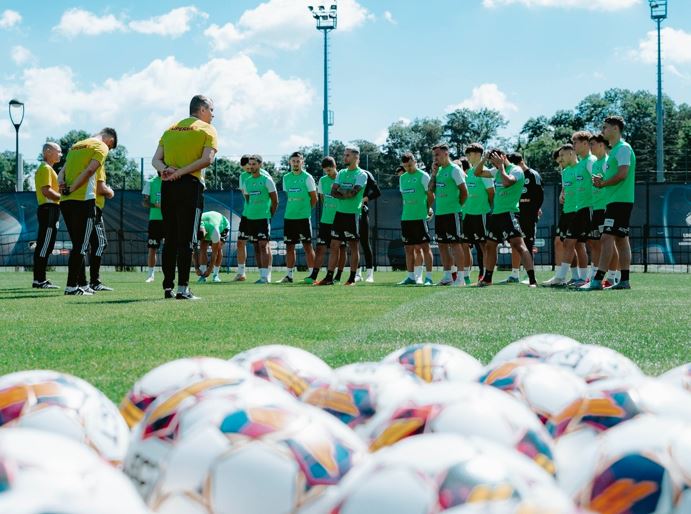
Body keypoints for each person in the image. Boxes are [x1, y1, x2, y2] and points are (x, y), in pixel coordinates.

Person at [152, 94, 217, 300]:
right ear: (203, 109)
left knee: (170, 238)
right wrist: (180, 172)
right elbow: (207, 159)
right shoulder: (207, 129)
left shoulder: (170, 129)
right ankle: (183, 289)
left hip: (168, 186)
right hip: (190, 186)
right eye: (212, 111)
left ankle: (167, 288)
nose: (213, 115)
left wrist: (167, 170)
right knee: (187, 239)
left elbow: (156, 160)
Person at [58, 128, 117, 296]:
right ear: (110, 140)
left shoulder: (77, 145)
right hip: (84, 201)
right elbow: (90, 171)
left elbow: (62, 172)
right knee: (82, 246)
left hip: (66, 202)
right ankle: (71, 287)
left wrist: (62, 185)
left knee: (78, 245)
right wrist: (72, 188)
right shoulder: (101, 147)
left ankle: (81, 285)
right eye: (110, 146)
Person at [581, 115, 635, 291]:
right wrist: (601, 181)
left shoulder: (623, 148)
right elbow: (615, 176)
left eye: (605, 127)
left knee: (606, 237)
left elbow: (622, 174)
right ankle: (624, 280)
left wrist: (602, 183)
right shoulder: (616, 150)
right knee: (621, 240)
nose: (603, 131)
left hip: (620, 200)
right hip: (615, 201)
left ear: (615, 129)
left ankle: (598, 280)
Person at [475, 149, 537, 288]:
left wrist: (501, 166)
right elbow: (477, 173)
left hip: (509, 214)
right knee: (490, 246)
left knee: (519, 245)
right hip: (496, 214)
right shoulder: (496, 170)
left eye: (495, 160)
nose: (494, 164)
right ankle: (488, 278)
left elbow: (508, 182)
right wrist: (484, 160)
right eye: (492, 161)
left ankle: (532, 280)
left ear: (502, 157)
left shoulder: (515, 170)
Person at [316, 145, 368, 286]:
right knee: (334, 246)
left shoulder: (362, 174)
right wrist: (346, 194)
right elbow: (334, 192)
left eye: (347, 155)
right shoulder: (341, 173)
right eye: (344, 155)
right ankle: (329, 278)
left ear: (356, 157)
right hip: (339, 214)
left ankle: (351, 278)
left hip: (353, 215)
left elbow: (354, 193)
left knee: (353, 247)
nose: (344, 157)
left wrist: (343, 194)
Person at [543, 143, 591, 287]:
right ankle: (574, 276)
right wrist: (561, 195)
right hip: (567, 211)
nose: (560, 163)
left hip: (580, 210)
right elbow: (566, 189)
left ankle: (581, 277)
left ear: (571, 153)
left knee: (578, 244)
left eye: (561, 158)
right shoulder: (565, 172)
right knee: (562, 242)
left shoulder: (584, 165)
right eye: (559, 161)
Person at [500, 152, 543, 284]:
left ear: (521, 162)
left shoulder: (533, 175)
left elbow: (539, 195)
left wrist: (535, 211)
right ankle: (515, 274)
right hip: (516, 213)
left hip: (529, 215)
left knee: (528, 244)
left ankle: (529, 276)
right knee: (515, 243)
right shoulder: (514, 175)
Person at [430, 143, 467, 286]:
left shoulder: (455, 170)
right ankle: (447, 276)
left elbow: (464, 192)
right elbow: (430, 190)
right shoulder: (438, 171)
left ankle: (461, 278)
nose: (435, 158)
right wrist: (433, 173)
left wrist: (457, 206)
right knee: (442, 245)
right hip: (440, 214)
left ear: (446, 154)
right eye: (434, 155)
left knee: (456, 245)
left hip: (453, 213)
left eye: (437, 154)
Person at [278, 151, 317, 284]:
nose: (295, 163)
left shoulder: (307, 177)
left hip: (303, 218)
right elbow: (289, 196)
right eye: (293, 161)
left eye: (298, 161)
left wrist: (305, 210)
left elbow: (314, 198)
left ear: (302, 162)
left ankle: (312, 275)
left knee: (307, 246)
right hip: (289, 217)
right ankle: (289, 276)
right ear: (290, 162)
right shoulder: (286, 178)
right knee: (289, 247)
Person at [398, 152, 434, 286]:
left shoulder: (423, 176)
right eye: (405, 166)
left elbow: (431, 196)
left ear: (414, 161)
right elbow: (405, 198)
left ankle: (429, 277)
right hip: (406, 218)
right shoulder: (402, 178)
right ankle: (411, 276)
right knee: (408, 248)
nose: (408, 168)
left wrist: (427, 209)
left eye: (410, 165)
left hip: (420, 218)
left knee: (424, 246)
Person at [308, 156, 346, 283]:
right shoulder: (323, 180)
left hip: (340, 219)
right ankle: (314, 275)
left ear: (335, 166)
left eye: (329, 170)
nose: (328, 173)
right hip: (326, 219)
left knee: (340, 248)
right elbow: (323, 199)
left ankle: (338, 276)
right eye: (325, 171)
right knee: (320, 247)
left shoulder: (342, 178)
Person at [588, 133, 619, 287]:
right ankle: (595, 274)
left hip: (605, 206)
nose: (590, 147)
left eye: (592, 144)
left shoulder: (607, 161)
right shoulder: (594, 163)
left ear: (601, 145)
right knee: (595, 242)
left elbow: (610, 183)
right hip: (596, 207)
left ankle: (612, 277)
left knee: (609, 243)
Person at [462, 144, 494, 286]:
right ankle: (466, 276)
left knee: (484, 245)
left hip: (481, 213)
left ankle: (485, 275)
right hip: (468, 214)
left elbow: (491, 193)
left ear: (477, 154)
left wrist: (486, 208)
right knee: (468, 245)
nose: (468, 157)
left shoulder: (485, 171)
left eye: (470, 154)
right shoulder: (468, 172)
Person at [243, 155, 278, 284]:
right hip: (251, 218)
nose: (251, 167)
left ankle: (266, 276)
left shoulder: (267, 180)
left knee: (264, 245)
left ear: (260, 165)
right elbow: (247, 199)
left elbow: (275, 201)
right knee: (256, 246)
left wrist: (269, 214)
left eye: (254, 164)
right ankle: (261, 275)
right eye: (250, 164)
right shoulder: (247, 181)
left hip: (263, 218)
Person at [32, 142, 62, 289]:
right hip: (48, 209)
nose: (61, 154)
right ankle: (39, 280)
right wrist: (63, 197)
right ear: (48, 151)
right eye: (59, 151)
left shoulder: (49, 169)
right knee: (44, 245)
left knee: (46, 245)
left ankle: (40, 279)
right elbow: (46, 191)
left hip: (50, 209)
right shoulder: (45, 168)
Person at [86, 164, 115, 291]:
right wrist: (110, 191)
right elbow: (100, 189)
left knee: (83, 245)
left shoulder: (80, 163)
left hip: (83, 206)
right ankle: (94, 282)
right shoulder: (98, 164)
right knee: (100, 244)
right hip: (94, 208)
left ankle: (81, 281)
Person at [355, 168, 381, 283]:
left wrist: (365, 198)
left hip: (362, 212)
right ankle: (357, 273)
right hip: (349, 213)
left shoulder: (366, 174)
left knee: (365, 242)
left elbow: (377, 192)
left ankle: (370, 274)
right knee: (353, 243)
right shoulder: (344, 173)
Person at [195, 211, 230, 283]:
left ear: (206, 233)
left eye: (204, 238)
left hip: (223, 225)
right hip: (210, 223)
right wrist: (196, 268)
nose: (204, 240)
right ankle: (203, 275)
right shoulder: (195, 227)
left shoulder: (215, 231)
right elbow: (193, 251)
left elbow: (214, 253)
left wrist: (210, 269)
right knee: (202, 248)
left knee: (219, 248)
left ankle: (215, 275)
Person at [142, 171, 163, 283]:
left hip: (170, 220)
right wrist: (155, 205)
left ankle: (168, 274)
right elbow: (144, 203)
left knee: (171, 248)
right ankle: (151, 275)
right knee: (152, 248)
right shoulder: (150, 183)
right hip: (155, 220)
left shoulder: (173, 182)